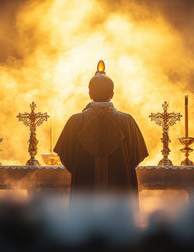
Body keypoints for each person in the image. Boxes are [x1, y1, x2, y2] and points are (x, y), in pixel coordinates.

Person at [54, 60, 148, 194]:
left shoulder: (75, 121)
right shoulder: (127, 121)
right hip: (119, 192)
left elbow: (66, 157)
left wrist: (82, 170)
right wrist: (121, 170)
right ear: (112, 95)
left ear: (90, 94)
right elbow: (137, 156)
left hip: (85, 191)